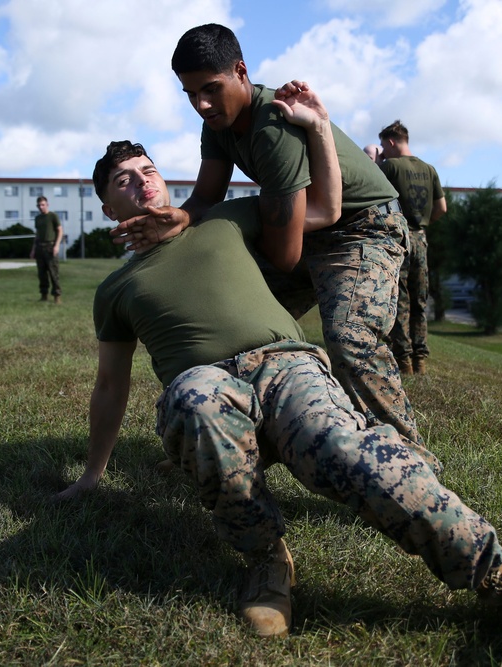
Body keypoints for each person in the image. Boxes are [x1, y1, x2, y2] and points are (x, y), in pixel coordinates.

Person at [57, 128, 502, 644]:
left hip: (286, 366)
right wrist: (92, 474)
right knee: (193, 398)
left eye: (148, 171)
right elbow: (109, 386)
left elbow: (326, 209)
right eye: (124, 180)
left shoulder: (223, 221)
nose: (142, 182)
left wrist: (317, 128)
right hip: (209, 388)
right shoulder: (115, 289)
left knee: (343, 447)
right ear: (107, 208)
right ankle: (268, 561)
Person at [111, 24, 438, 473]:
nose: (201, 105)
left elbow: (286, 253)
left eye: (210, 89)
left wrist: (235, 220)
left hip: (362, 230)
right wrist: (179, 219)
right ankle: (228, 445)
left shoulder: (272, 127)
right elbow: (206, 197)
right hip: (307, 225)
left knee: (349, 341)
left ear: (240, 72)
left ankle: (412, 465)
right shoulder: (219, 123)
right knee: (230, 325)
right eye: (190, 94)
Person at [378, 120, 447, 375]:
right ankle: (421, 360)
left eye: (384, 144)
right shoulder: (429, 169)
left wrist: (379, 162)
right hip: (421, 238)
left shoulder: (389, 166)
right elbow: (442, 209)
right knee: (420, 300)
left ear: (391, 142)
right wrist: (422, 223)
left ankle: (403, 360)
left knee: (400, 299)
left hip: (399, 237)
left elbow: (373, 194)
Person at [30, 196, 64, 304]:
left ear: (47, 205)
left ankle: (57, 296)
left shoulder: (53, 216)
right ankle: (44, 295)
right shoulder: (38, 218)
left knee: (53, 272)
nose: (41, 207)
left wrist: (57, 246)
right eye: (39, 205)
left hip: (50, 246)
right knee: (42, 273)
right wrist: (33, 249)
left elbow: (60, 231)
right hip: (40, 247)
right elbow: (37, 235)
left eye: (43, 205)